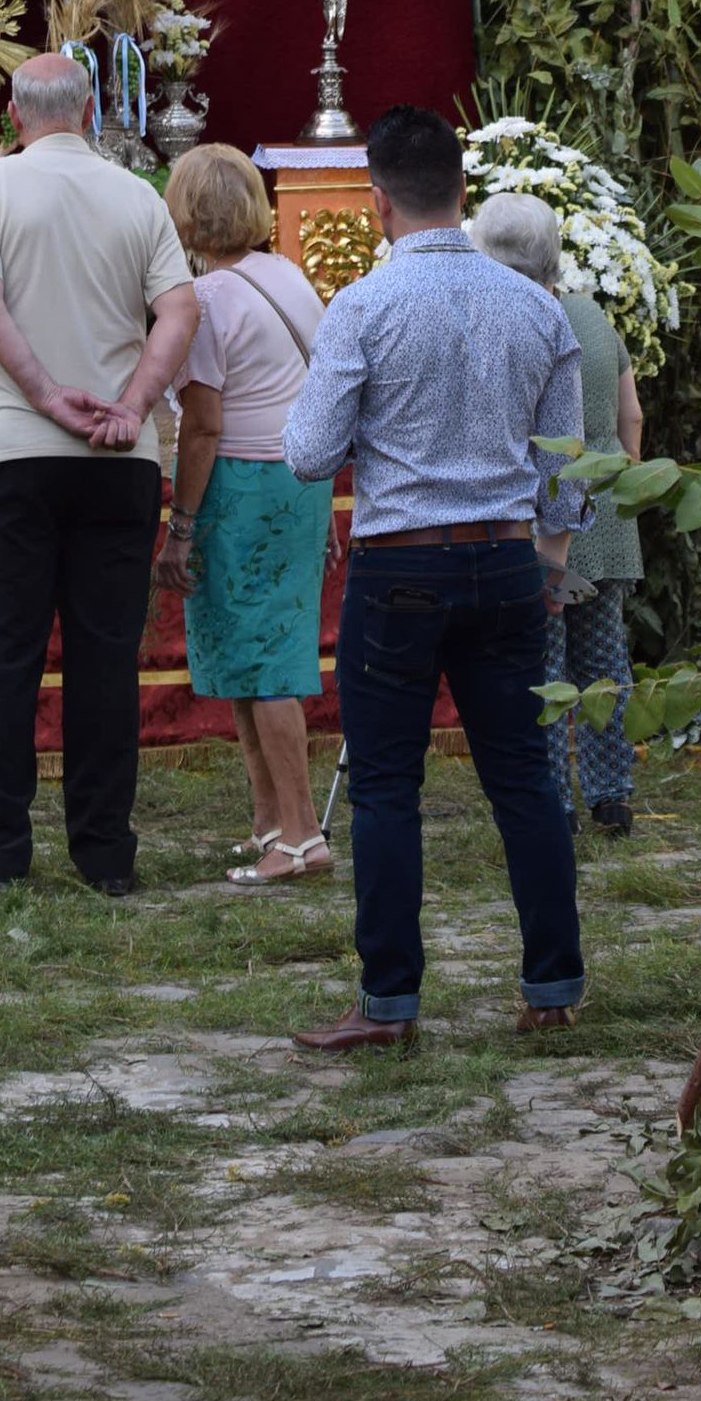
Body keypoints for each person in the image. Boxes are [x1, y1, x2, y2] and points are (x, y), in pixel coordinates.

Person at [282, 105, 589, 1052]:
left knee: (384, 788)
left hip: (402, 564)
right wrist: (543, 555)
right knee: (525, 780)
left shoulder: (363, 307)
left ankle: (390, 1004)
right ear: (463, 190)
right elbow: (568, 467)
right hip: (502, 556)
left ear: (375, 201)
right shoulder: (537, 305)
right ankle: (552, 984)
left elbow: (306, 453)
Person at [0, 54, 199, 894]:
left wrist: (50, 396)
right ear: (91, 110)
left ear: (14, 116)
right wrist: (130, 405)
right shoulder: (137, 194)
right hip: (118, 464)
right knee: (104, 661)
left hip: (10, 454)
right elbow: (181, 309)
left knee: (3, 659)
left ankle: (1, 853)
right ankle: (103, 853)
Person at [154, 145, 335, 884]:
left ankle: (299, 837)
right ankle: (271, 825)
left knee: (264, 666)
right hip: (298, 482)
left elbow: (202, 428)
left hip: (241, 487)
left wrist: (181, 526)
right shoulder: (290, 277)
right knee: (253, 657)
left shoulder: (209, 302)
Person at [471, 192, 642, 837]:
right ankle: (612, 794)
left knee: (542, 666)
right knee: (603, 661)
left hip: (543, 515)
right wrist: (620, 482)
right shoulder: (594, 316)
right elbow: (632, 417)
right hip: (607, 506)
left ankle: (554, 803)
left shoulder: (509, 321)